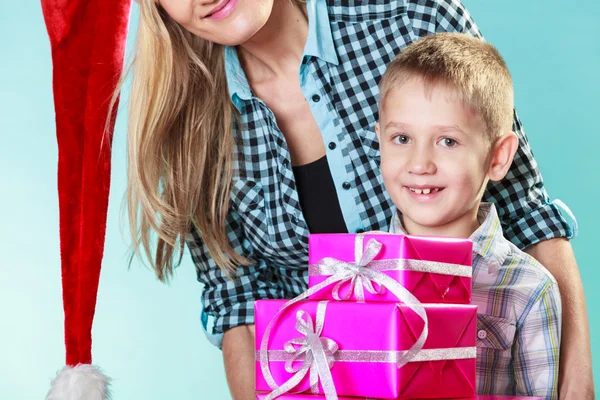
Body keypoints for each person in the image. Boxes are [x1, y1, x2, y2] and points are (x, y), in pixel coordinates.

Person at [121, 0, 592, 398]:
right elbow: (239, 300)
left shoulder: (409, 20)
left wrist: (577, 388)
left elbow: (527, 212)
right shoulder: (189, 123)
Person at [377, 32, 561, 399]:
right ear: (379, 139)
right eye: (401, 139)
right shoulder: (353, 275)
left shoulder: (528, 289)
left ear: (498, 157)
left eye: (448, 141)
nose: (420, 164)